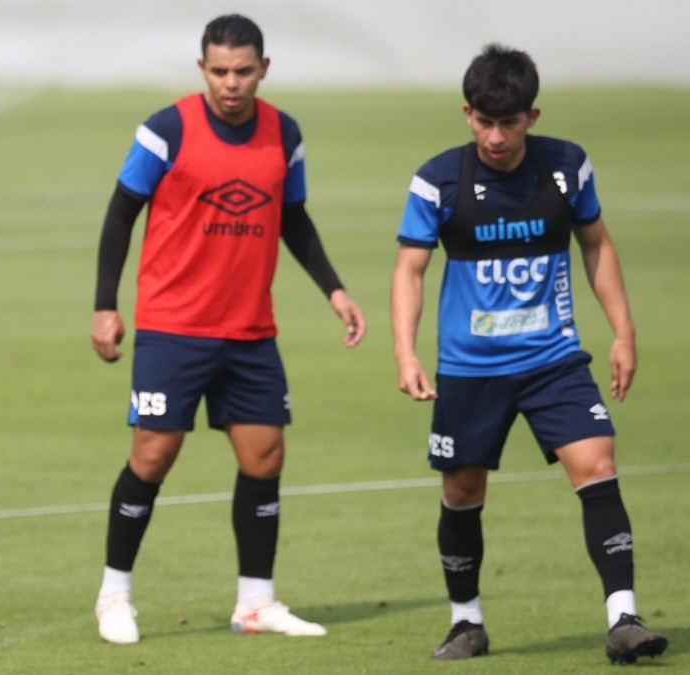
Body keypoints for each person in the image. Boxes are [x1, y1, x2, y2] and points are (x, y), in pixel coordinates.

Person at [90, 14, 365, 645]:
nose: (231, 83)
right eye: (219, 71)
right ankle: (114, 594)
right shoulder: (166, 129)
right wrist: (106, 304)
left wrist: (335, 289)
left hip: (249, 330)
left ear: (263, 69)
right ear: (202, 69)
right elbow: (120, 214)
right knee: (153, 456)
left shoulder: (283, 132)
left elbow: (293, 216)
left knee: (264, 457)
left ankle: (256, 602)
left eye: (243, 71)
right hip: (171, 326)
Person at [390, 44, 667, 664]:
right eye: (484, 122)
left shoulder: (567, 168)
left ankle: (623, 617)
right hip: (470, 370)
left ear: (531, 116)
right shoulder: (437, 179)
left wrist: (623, 333)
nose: (495, 136)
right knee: (462, 493)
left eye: (508, 122)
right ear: (467, 114)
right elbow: (410, 269)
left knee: (597, 463)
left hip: (553, 360)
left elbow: (596, 244)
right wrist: (405, 352)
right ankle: (467, 623)